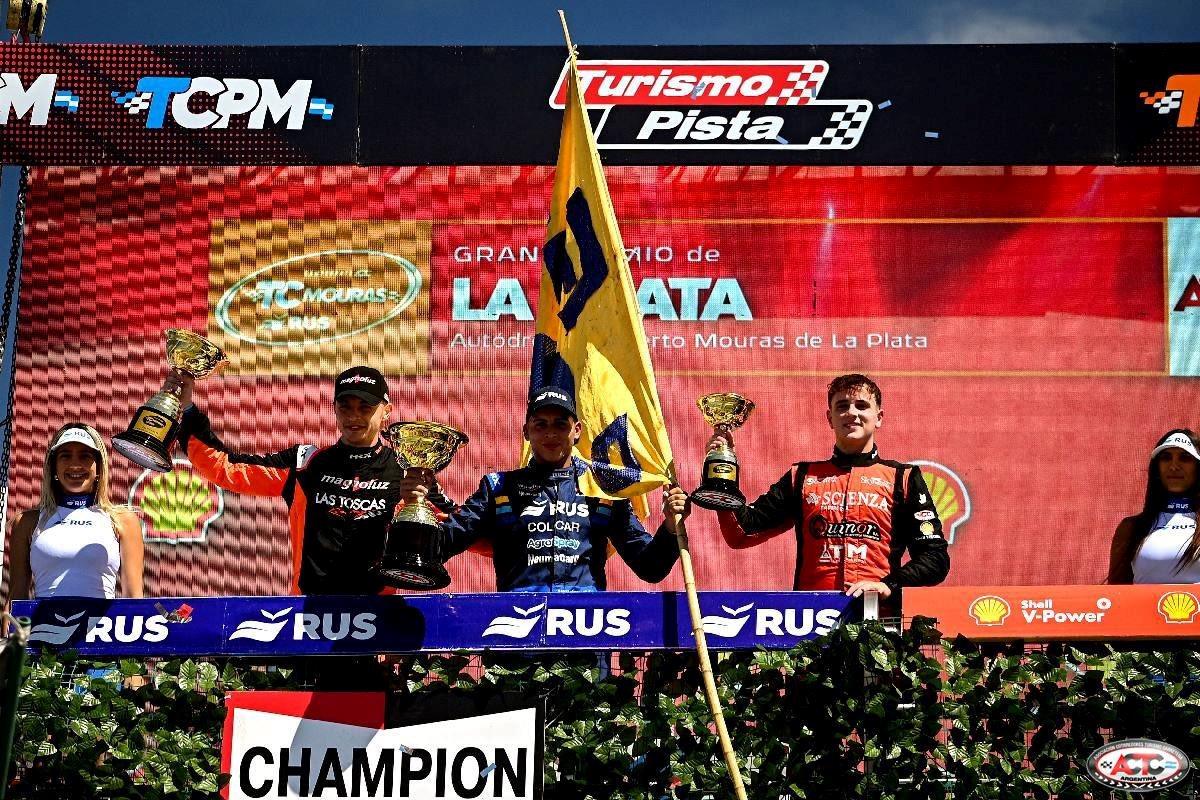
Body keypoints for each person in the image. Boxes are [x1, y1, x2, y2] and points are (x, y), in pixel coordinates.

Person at [171, 365, 452, 595]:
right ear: (334, 408)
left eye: (365, 407)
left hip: (376, 617)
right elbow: (226, 468)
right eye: (345, 406)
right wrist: (187, 410)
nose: (354, 416)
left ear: (386, 410)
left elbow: (460, 530)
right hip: (308, 614)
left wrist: (421, 503)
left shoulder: (406, 471)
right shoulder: (305, 463)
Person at [406, 388, 686, 592]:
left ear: (577, 430)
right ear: (526, 431)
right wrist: (415, 508)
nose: (551, 433)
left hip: (584, 634)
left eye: (560, 424)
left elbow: (650, 567)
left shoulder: (603, 490)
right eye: (540, 424)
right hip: (517, 631)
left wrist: (671, 529)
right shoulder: (498, 487)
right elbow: (442, 546)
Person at [710, 373, 949, 600]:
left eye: (862, 406)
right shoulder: (801, 476)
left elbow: (935, 557)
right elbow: (741, 532)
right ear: (830, 418)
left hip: (877, 617)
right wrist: (722, 467)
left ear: (879, 417)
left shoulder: (903, 477)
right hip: (810, 620)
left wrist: (889, 585)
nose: (852, 413)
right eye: (842, 406)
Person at [6, 423, 144, 600]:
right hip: (44, 619)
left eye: (85, 456)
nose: (75, 464)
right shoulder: (27, 522)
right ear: (53, 467)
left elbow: (134, 600)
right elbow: (15, 601)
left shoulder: (123, 521)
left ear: (99, 467)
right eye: (65, 456)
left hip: (102, 619)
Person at [1108, 429, 1200, 584]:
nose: (1174, 466)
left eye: (1185, 458)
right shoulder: (1132, 528)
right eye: (1166, 457)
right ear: (1157, 468)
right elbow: (1115, 594)